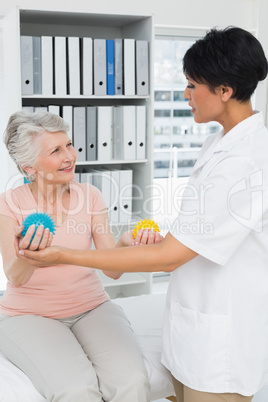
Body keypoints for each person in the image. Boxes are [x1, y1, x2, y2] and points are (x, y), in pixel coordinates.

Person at [19, 26, 268, 402]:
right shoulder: (216, 143)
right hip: (192, 327)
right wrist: (144, 241)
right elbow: (196, 232)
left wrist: (63, 255)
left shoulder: (246, 163)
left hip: (222, 341)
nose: (185, 95)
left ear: (224, 91)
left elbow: (169, 259)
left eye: (191, 85)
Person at [0, 110, 163, 402]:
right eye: (56, 150)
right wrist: (30, 253)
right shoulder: (10, 204)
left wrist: (126, 243)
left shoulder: (90, 195)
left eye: (69, 145)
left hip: (92, 307)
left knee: (134, 382)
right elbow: (14, 275)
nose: (70, 156)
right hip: (29, 314)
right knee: (76, 391)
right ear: (28, 167)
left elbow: (112, 268)